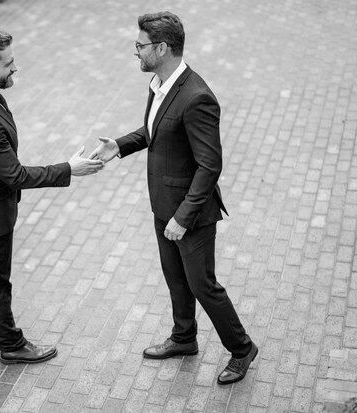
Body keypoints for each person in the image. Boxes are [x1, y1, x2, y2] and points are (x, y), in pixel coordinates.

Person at [90, 12, 257, 384]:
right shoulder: (159, 83)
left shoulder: (197, 97)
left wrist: (183, 217)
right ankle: (184, 338)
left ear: (162, 48)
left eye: (140, 46)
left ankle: (243, 348)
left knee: (203, 286)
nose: (136, 52)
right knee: (175, 277)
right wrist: (119, 145)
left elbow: (210, 165)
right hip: (162, 205)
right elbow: (155, 131)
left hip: (190, 214)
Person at [0, 27, 104, 364]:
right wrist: (68, 168)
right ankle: (11, 345)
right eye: (8, 63)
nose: (15, 68)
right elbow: (15, 175)